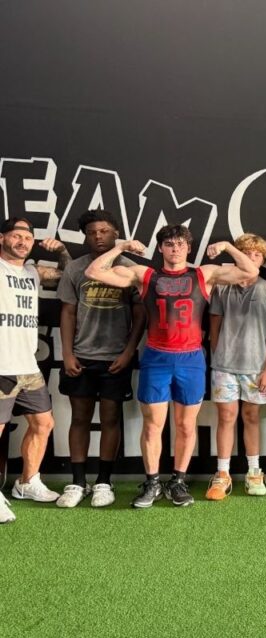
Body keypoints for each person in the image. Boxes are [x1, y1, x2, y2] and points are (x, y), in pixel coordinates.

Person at [85, 224, 259, 508]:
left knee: (186, 425)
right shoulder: (145, 275)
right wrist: (121, 247)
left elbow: (250, 271)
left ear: (189, 248)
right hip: (157, 357)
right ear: (161, 248)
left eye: (180, 244)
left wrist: (228, 246)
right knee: (153, 425)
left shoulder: (204, 274)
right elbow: (94, 272)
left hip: (191, 359)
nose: (175, 248)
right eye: (169, 244)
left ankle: (177, 481)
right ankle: (152, 482)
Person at [56, 210, 144, 509]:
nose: (98, 236)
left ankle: (104, 482)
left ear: (116, 233)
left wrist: (129, 351)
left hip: (115, 358)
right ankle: (78, 482)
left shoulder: (130, 268)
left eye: (104, 231)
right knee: (79, 418)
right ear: (85, 236)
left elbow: (140, 314)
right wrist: (67, 353)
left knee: (110, 419)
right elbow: (68, 312)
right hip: (81, 356)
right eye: (92, 232)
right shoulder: (76, 268)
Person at [205, 233, 266, 501]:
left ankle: (254, 471)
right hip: (224, 367)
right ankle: (223, 474)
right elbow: (214, 327)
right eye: (247, 253)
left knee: (251, 417)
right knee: (226, 418)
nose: (251, 258)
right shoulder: (222, 287)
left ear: (263, 260)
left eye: (257, 255)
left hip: (257, 367)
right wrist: (219, 357)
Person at [0, 216, 68, 523]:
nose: (22, 242)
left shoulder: (32, 272)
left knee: (43, 423)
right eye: (16, 236)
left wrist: (62, 251)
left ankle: (27, 483)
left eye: (28, 238)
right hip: (1, 365)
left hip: (27, 366)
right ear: (2, 239)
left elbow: (69, 276)